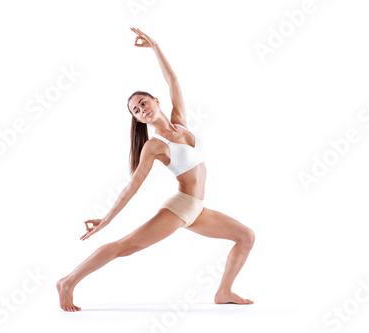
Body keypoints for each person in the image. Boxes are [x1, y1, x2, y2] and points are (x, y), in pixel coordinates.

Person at [56, 27, 255, 312]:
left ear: (155, 101)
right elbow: (132, 187)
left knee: (246, 236)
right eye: (135, 111)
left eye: (142, 103)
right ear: (137, 119)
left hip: (197, 209)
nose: (141, 110)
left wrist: (155, 46)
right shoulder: (155, 146)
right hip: (180, 207)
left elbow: (172, 79)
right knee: (124, 247)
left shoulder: (181, 122)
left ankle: (224, 291)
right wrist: (106, 220)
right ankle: (68, 281)